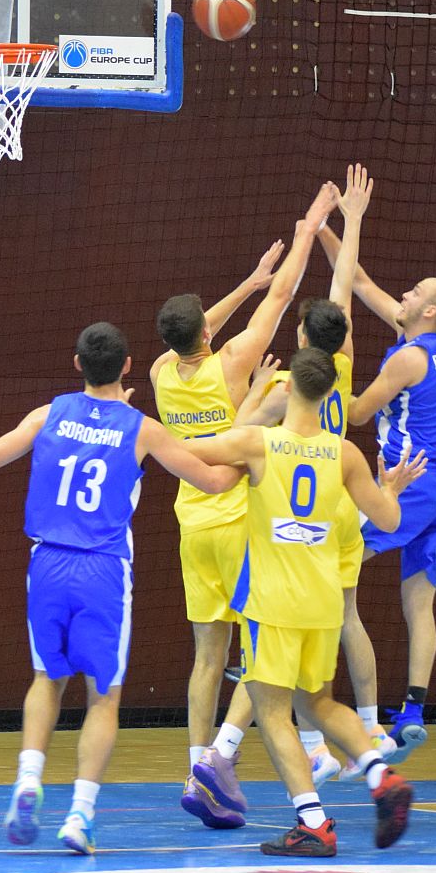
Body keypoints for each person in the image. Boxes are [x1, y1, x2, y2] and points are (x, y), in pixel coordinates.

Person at [0, 322, 240, 855]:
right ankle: (80, 815)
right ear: (128, 367)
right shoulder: (142, 429)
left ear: (77, 364)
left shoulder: (48, 415)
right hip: (103, 571)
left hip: (47, 564)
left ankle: (27, 780)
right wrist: (256, 450)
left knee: (47, 679)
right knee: (103, 697)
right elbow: (213, 480)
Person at [196, 165, 398, 795]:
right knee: (338, 627)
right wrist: (353, 220)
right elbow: (343, 290)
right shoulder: (342, 367)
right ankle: (358, 733)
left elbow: (234, 439)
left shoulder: (286, 387)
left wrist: (252, 394)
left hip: (292, 515)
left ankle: (233, 752)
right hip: (342, 507)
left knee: (270, 652)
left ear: (301, 339)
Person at [186, 347, 425, 856]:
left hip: (273, 601)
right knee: (316, 702)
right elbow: (389, 522)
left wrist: (248, 413)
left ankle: (312, 823)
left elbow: (191, 451)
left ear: (288, 386)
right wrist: (389, 488)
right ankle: (381, 775)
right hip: (323, 601)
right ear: (330, 392)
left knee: (272, 712)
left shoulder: (259, 443)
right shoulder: (345, 454)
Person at [151, 184, 336, 828]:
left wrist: (247, 284)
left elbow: (191, 332)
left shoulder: (160, 373)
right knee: (263, 660)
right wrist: (306, 233)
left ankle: (196, 767)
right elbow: (283, 298)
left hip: (191, 526)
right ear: (208, 331)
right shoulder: (232, 363)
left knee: (207, 658)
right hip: (238, 524)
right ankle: (245, 758)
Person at [316, 225, 436, 762]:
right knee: (418, 603)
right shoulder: (431, 342)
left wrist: (318, 382)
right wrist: (325, 228)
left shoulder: (407, 359)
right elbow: (358, 281)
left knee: (325, 557)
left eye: (414, 292)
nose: (404, 293)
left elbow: (356, 413)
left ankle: (341, 711)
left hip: (413, 482)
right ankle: (414, 712)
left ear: (429, 311)